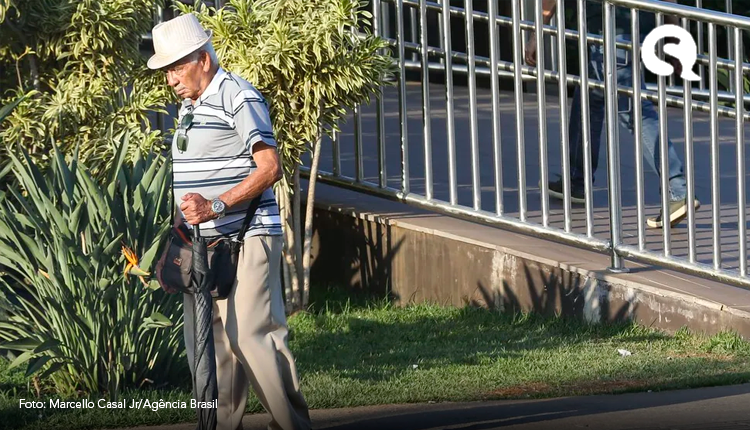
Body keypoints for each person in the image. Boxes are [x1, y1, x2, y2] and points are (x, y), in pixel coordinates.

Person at [148, 13, 311, 430]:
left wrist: (216, 206)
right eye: (166, 70)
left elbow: (270, 166)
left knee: (251, 336)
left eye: (176, 67)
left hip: (249, 233)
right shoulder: (191, 104)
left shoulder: (238, 95)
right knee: (209, 346)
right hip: (203, 243)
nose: (170, 79)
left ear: (202, 58)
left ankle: (293, 425)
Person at [525, 0, 700, 228]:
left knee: (634, 111)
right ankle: (577, 181)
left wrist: (537, 31)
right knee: (589, 99)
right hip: (633, 25)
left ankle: (677, 191)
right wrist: (675, 37)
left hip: (610, 27)